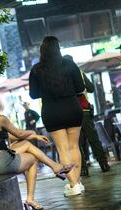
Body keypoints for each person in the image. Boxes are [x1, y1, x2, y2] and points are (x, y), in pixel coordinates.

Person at [0, 90, 74, 210]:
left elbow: (10, 137)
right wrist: (31, 133)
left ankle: (55, 167)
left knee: (27, 144)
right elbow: (19, 133)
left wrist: (33, 136)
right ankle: (30, 198)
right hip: (1, 163)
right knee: (32, 160)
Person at [29, 36, 85, 196]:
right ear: (58, 48)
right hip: (72, 107)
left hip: (52, 110)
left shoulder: (36, 69)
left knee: (63, 149)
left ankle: (74, 185)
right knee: (74, 146)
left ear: (42, 50)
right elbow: (80, 88)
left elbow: (33, 95)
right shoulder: (69, 64)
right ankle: (78, 182)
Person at [63, 55, 110, 175]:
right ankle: (103, 164)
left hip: (69, 112)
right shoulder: (79, 72)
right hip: (84, 110)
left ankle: (83, 169)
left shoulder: (61, 75)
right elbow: (91, 88)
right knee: (93, 138)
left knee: (76, 143)